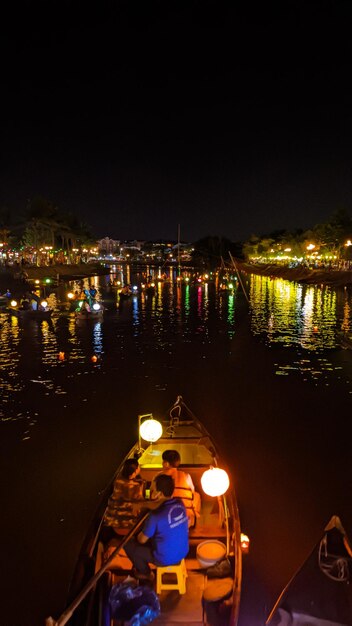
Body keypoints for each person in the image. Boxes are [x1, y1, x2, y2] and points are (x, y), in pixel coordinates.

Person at [124, 473, 189, 580]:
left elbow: (141, 540)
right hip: (183, 552)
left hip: (164, 559)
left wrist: (139, 533)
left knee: (129, 545)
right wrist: (143, 504)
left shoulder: (155, 516)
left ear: (159, 494)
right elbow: (157, 504)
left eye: (152, 489)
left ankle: (146, 573)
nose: (150, 491)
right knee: (160, 533)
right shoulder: (179, 503)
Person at [150, 449, 200, 526]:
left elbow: (151, 495)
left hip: (165, 520)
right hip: (186, 520)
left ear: (166, 464)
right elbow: (193, 494)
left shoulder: (158, 477)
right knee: (196, 495)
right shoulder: (186, 476)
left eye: (163, 461)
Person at [104, 459, 145, 531]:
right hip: (128, 525)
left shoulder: (117, 480)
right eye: (138, 466)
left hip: (113, 522)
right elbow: (141, 505)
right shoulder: (135, 486)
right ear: (135, 471)